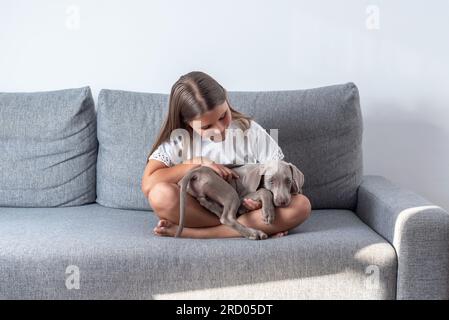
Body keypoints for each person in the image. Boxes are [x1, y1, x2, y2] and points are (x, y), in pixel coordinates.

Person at [141, 71, 311, 238]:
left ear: (226, 99)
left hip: (248, 207)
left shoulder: (249, 131)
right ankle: (238, 226)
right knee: (160, 194)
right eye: (207, 127)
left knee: (301, 205)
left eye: (223, 116)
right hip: (202, 210)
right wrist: (196, 163)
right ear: (188, 123)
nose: (220, 129)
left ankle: (197, 233)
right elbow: (149, 184)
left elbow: (278, 177)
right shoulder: (180, 140)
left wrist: (258, 204)